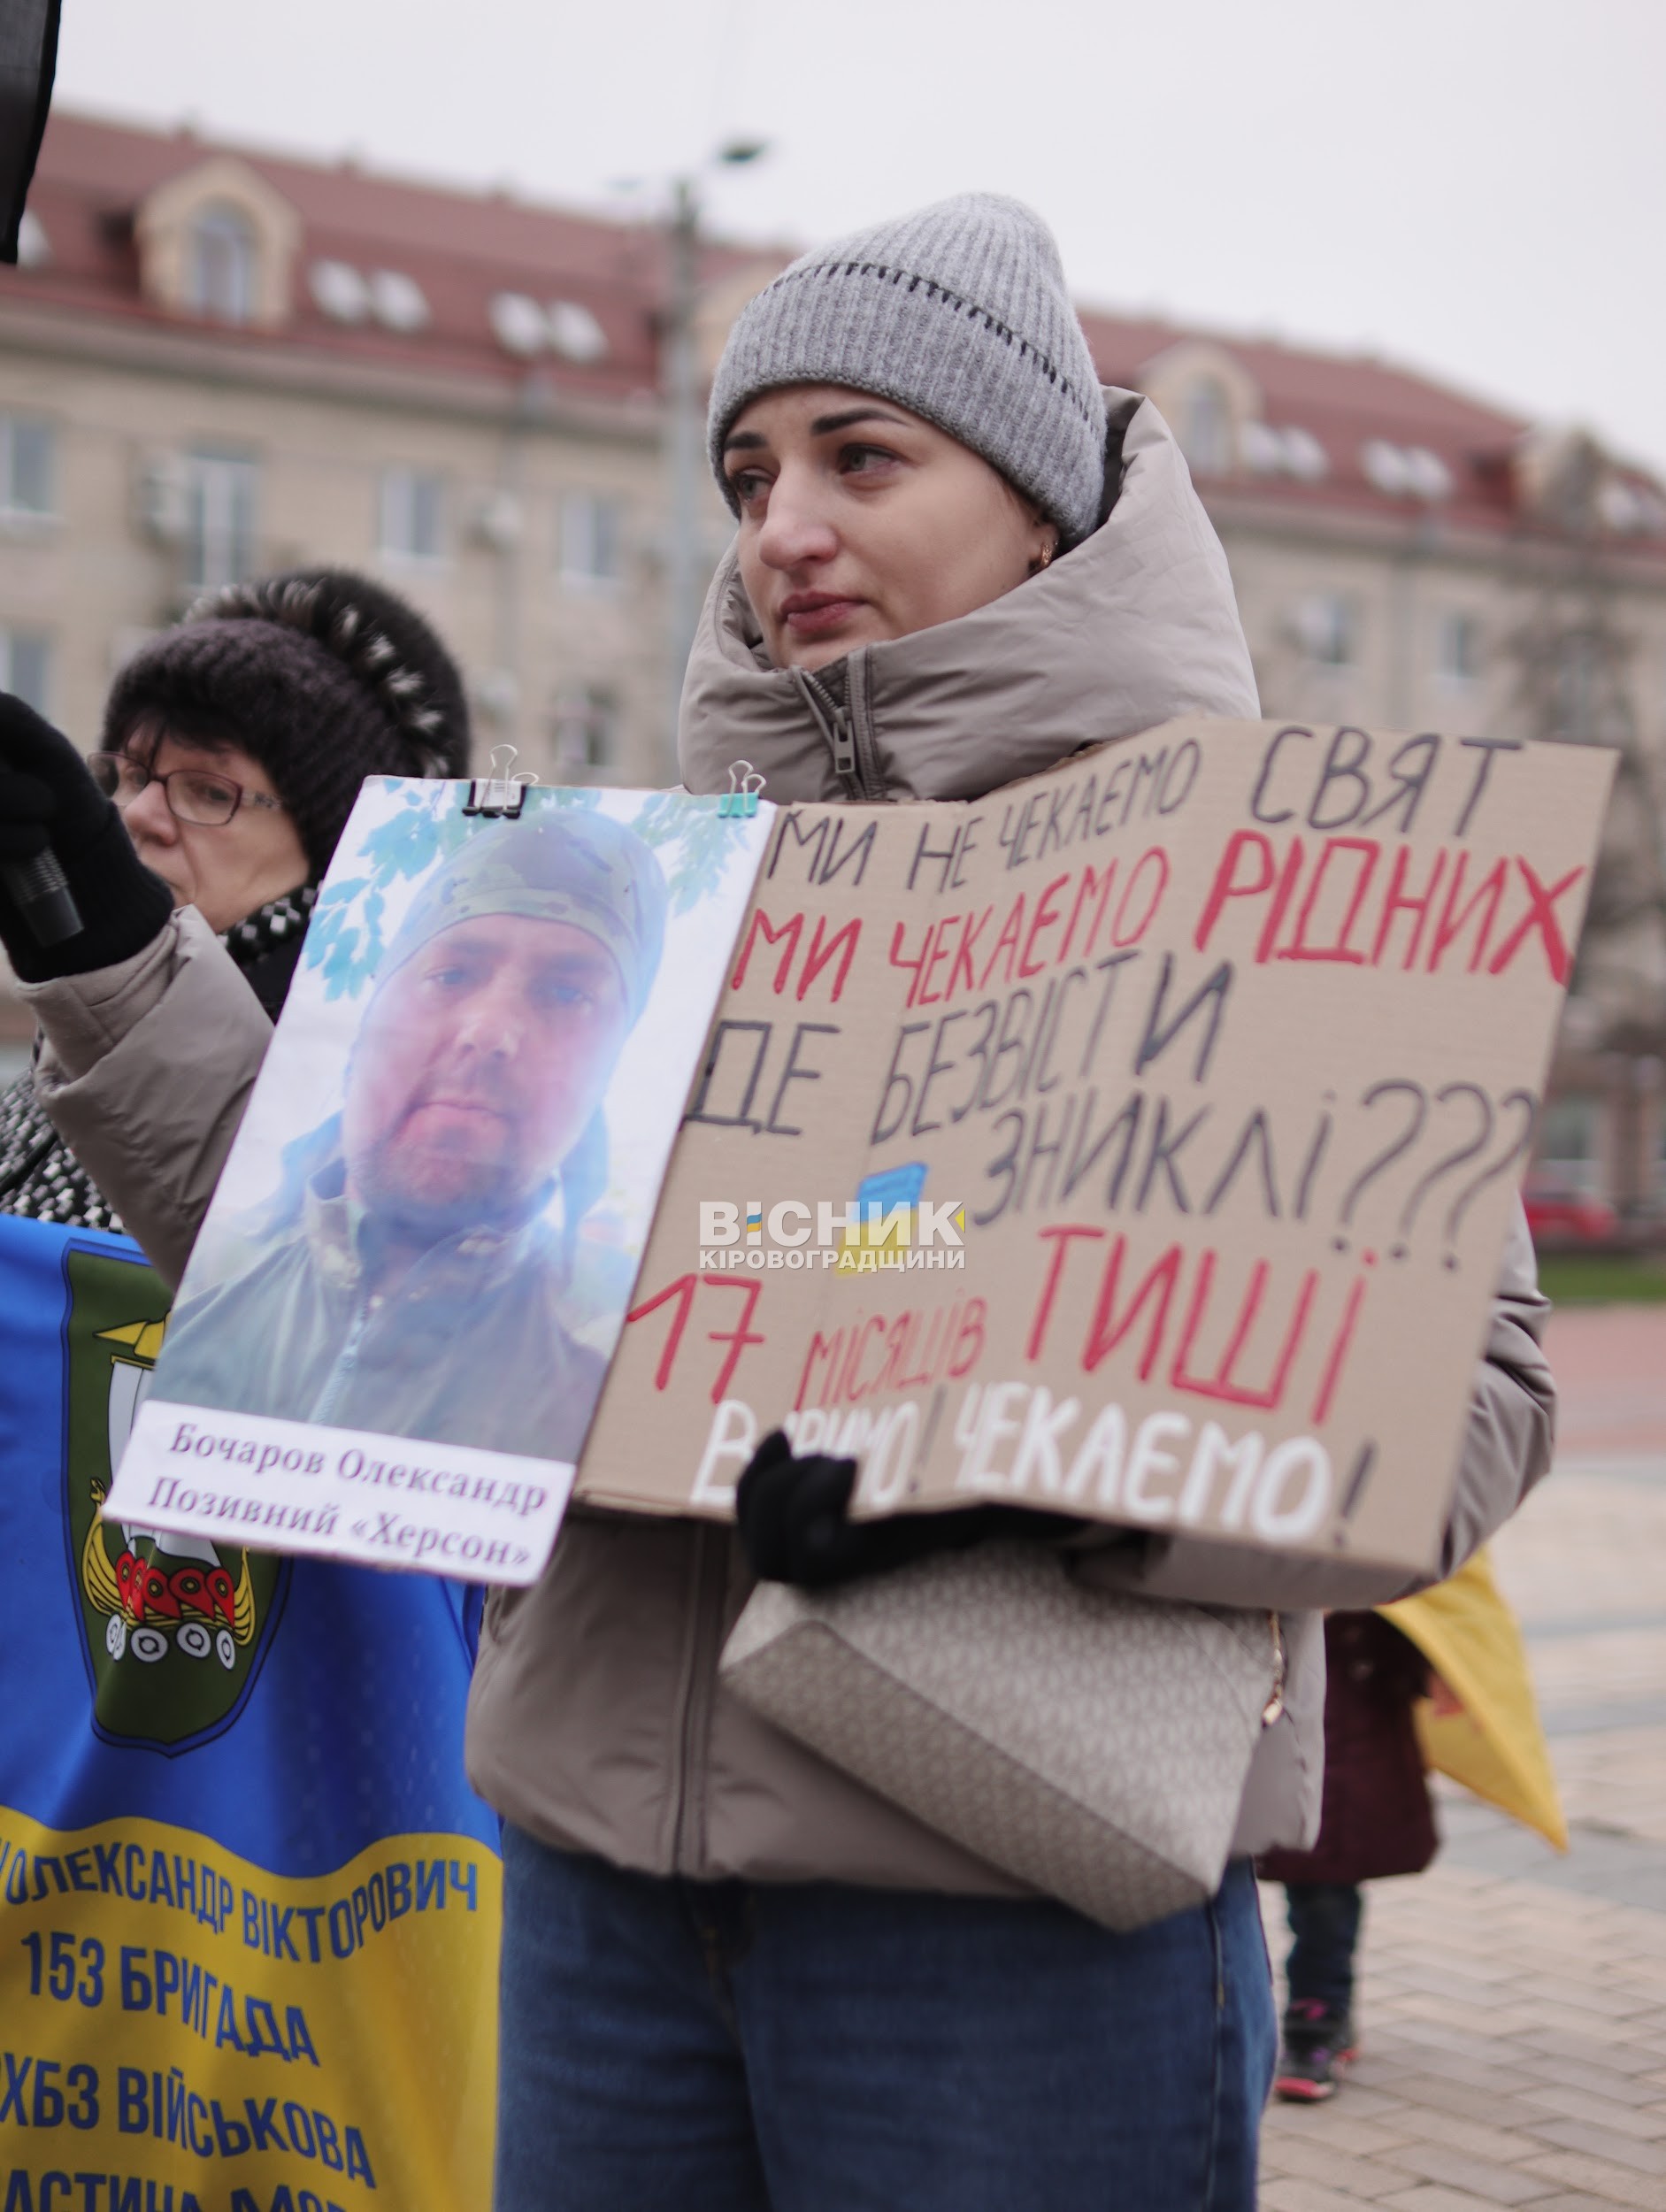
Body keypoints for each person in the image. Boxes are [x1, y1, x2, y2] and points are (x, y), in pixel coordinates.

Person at [0, 195, 1556, 2211]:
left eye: (862, 458)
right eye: (747, 474)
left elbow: (1476, 1397)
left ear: (1042, 502)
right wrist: (103, 937)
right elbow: (344, 1272)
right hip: (593, 1901)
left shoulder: (1259, 877)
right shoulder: (643, 878)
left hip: (1002, 1924)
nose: (781, 527)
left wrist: (1056, 1472)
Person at [157, 812, 666, 1459]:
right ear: (367, 1021)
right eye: (450, 975)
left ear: (610, 1070)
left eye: (566, 993)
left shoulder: (639, 1384)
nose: (488, 1031)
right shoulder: (185, 1275)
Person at [0, 566, 471, 1229]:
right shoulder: (71, 1034)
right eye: (133, 776)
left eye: (210, 792)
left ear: (333, 846)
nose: (140, 816)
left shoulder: (358, 1094)